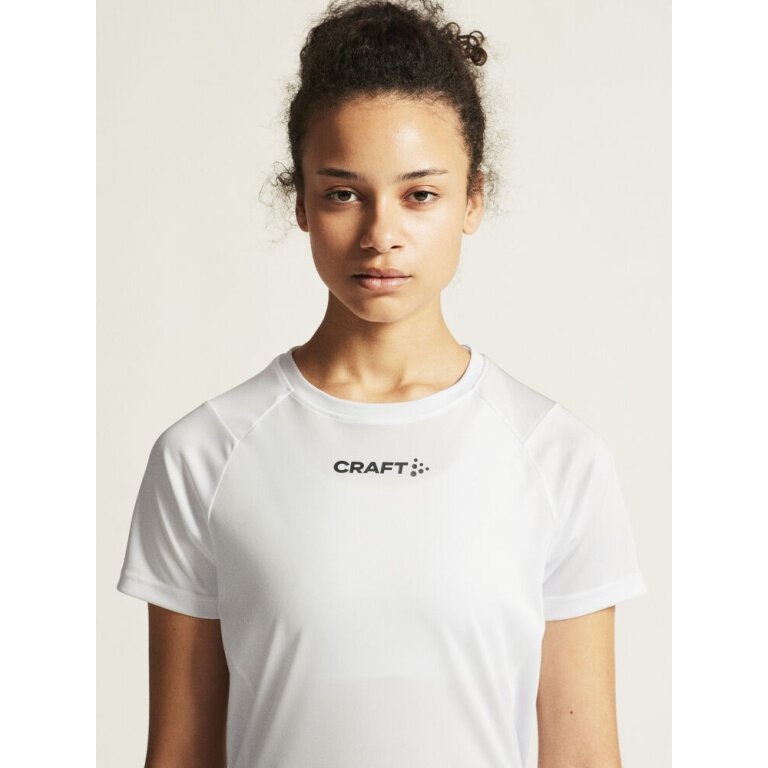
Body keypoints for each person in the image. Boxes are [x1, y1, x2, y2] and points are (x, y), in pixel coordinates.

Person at [116, 1, 648, 766]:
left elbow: (584, 755)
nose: (380, 235)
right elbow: (180, 754)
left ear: (473, 199)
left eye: (419, 195)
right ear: (300, 201)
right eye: (343, 193)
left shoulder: (558, 458)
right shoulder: (203, 454)